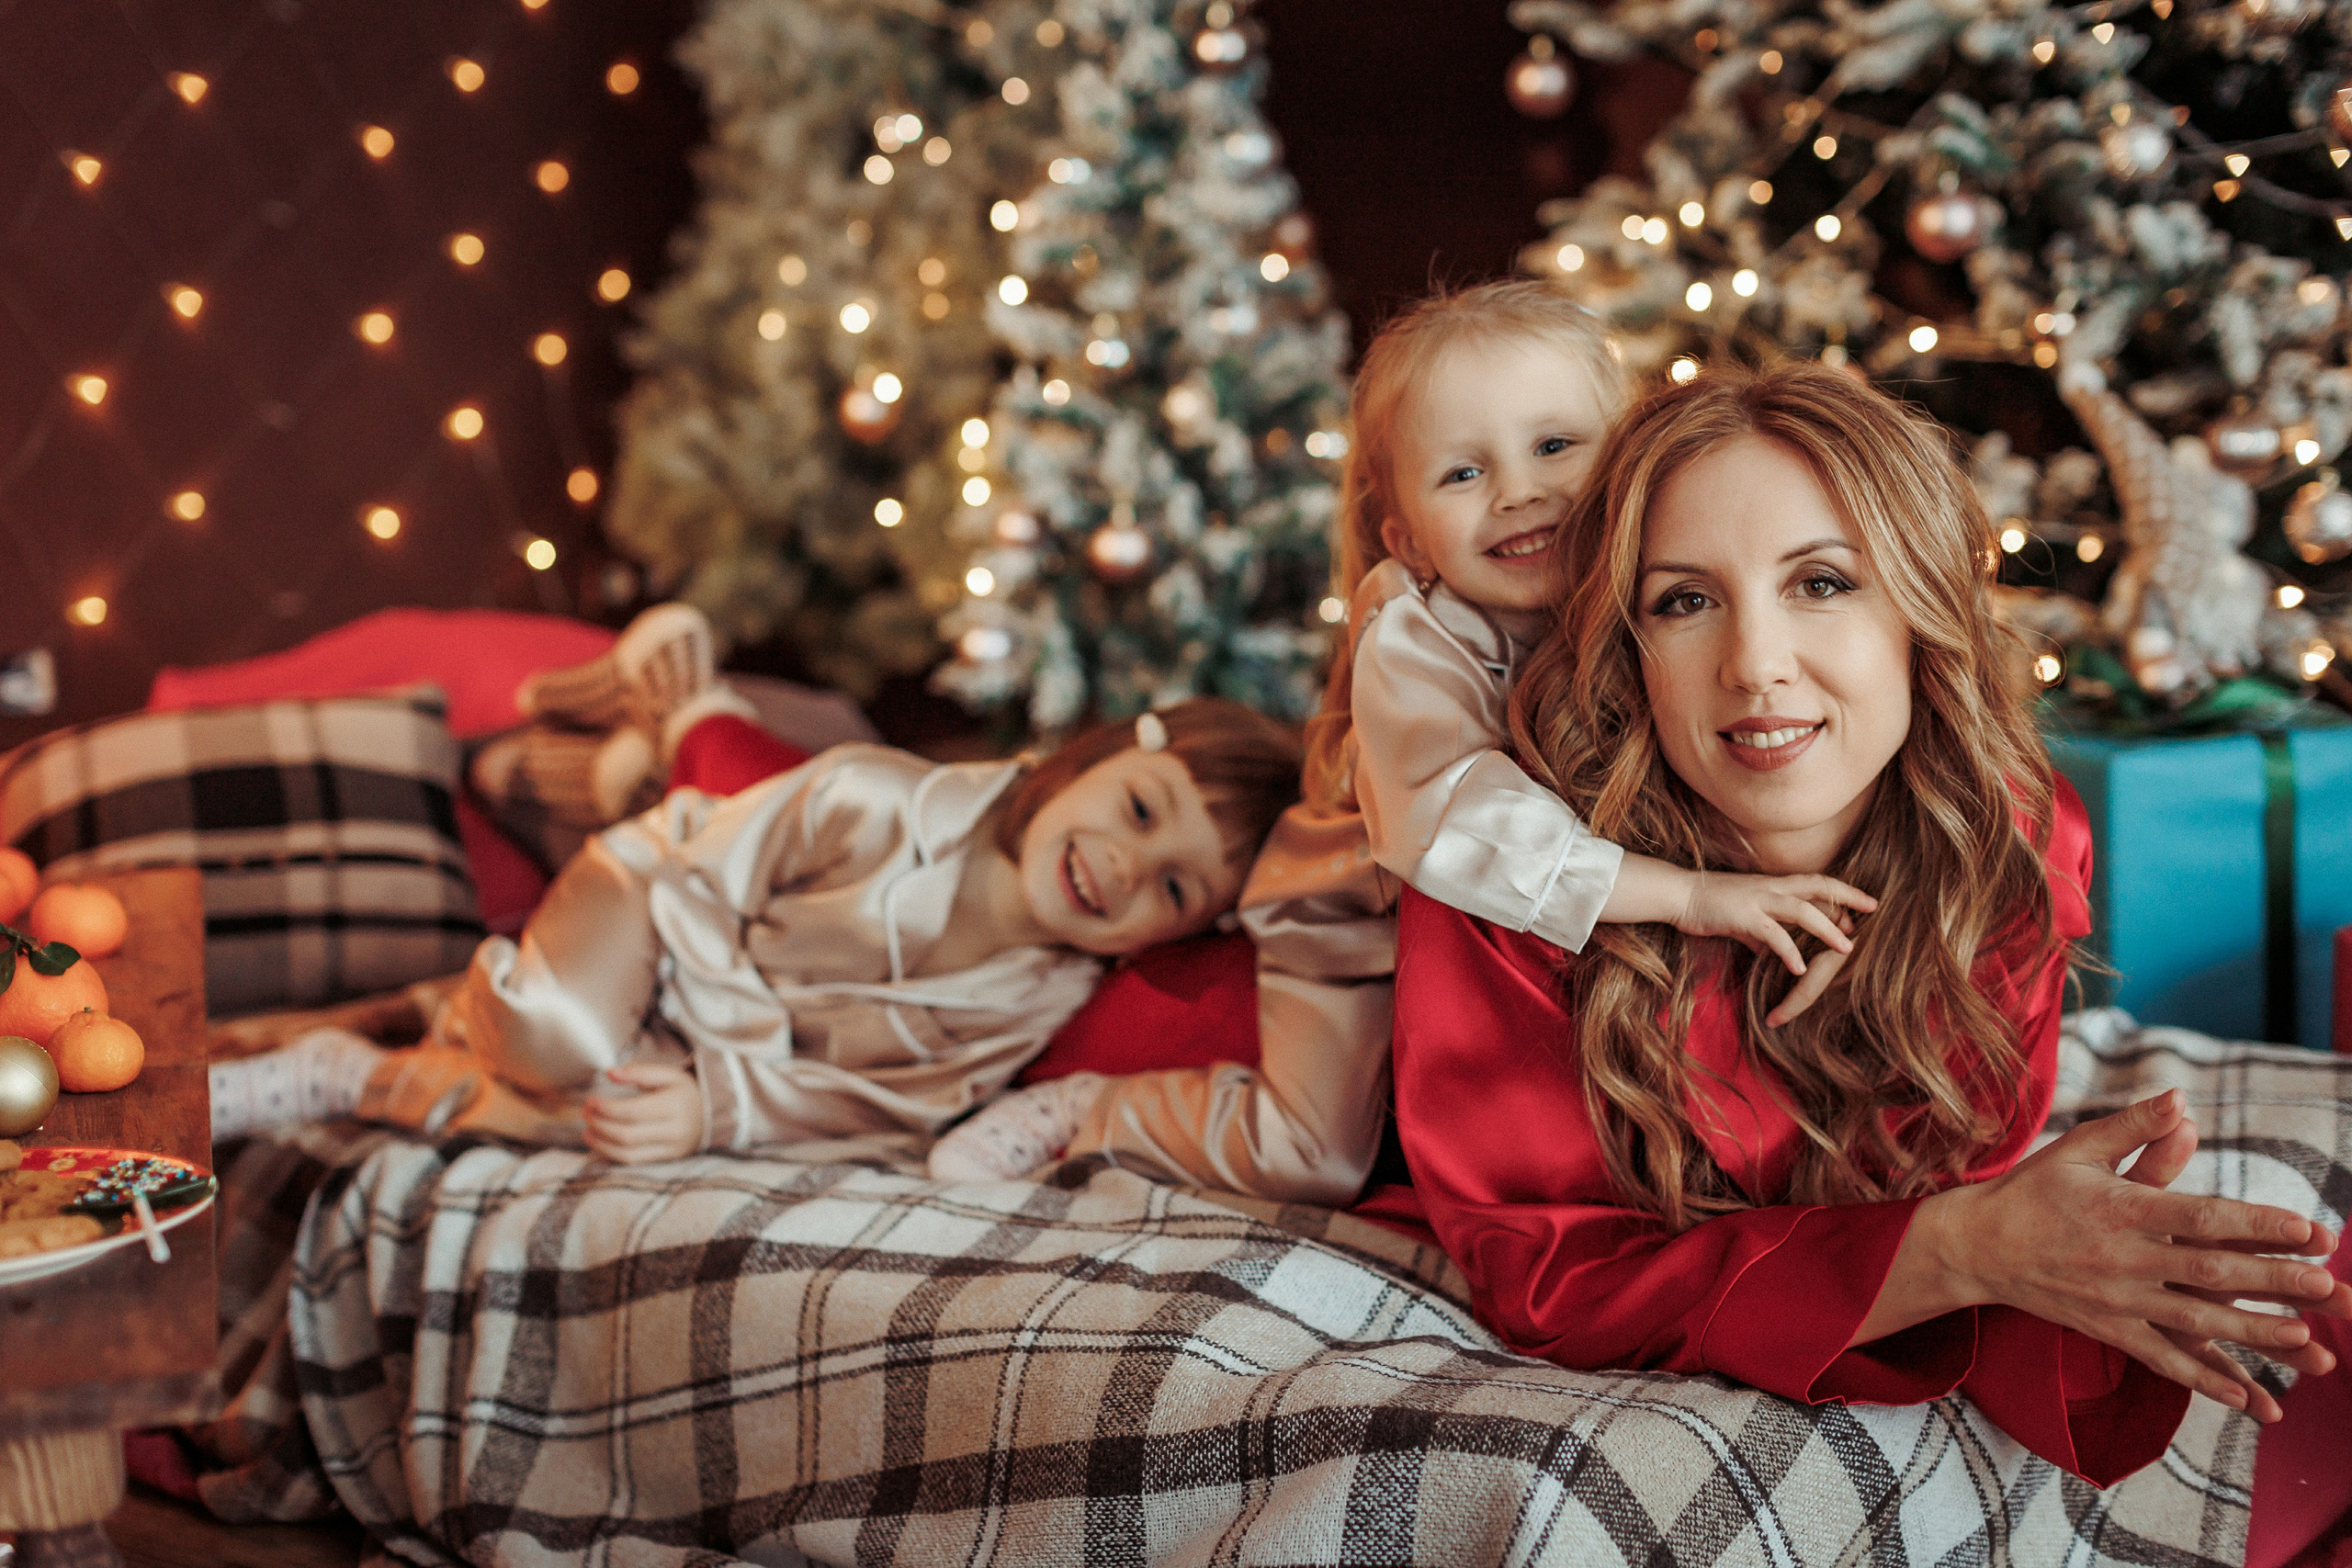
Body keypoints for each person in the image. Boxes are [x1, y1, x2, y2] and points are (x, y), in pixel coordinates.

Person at [1390, 358, 2352, 1522]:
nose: (1755, 667)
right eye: (1683, 601)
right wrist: (1955, 1250)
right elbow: (1553, 1281)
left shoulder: (2008, 840)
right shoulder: (1514, 887)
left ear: (1918, 612)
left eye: (1822, 582)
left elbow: (1966, 1157)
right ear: (1625, 644)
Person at [932, 280, 1874, 1201]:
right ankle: (1093, 1111)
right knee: (1316, 1156)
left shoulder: (1644, 590)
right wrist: (1691, 896)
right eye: (1463, 474)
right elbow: (1458, 823)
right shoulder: (1412, 642)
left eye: (1554, 445)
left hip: (1518, 923)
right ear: (1408, 537)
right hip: (1352, 915)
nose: (1518, 494)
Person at [209, 612, 1304, 1166]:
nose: (1122, 864)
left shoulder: (1036, 996)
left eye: (1172, 888)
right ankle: (474, 995)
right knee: (566, 1045)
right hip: (655, 910)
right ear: (1090, 758)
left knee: (590, 1130)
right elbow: (703, 878)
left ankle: (349, 1075)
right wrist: (684, 1048)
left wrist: (710, 1107)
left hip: (707, 1053)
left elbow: (882, 1103)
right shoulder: (879, 798)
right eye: (1140, 810)